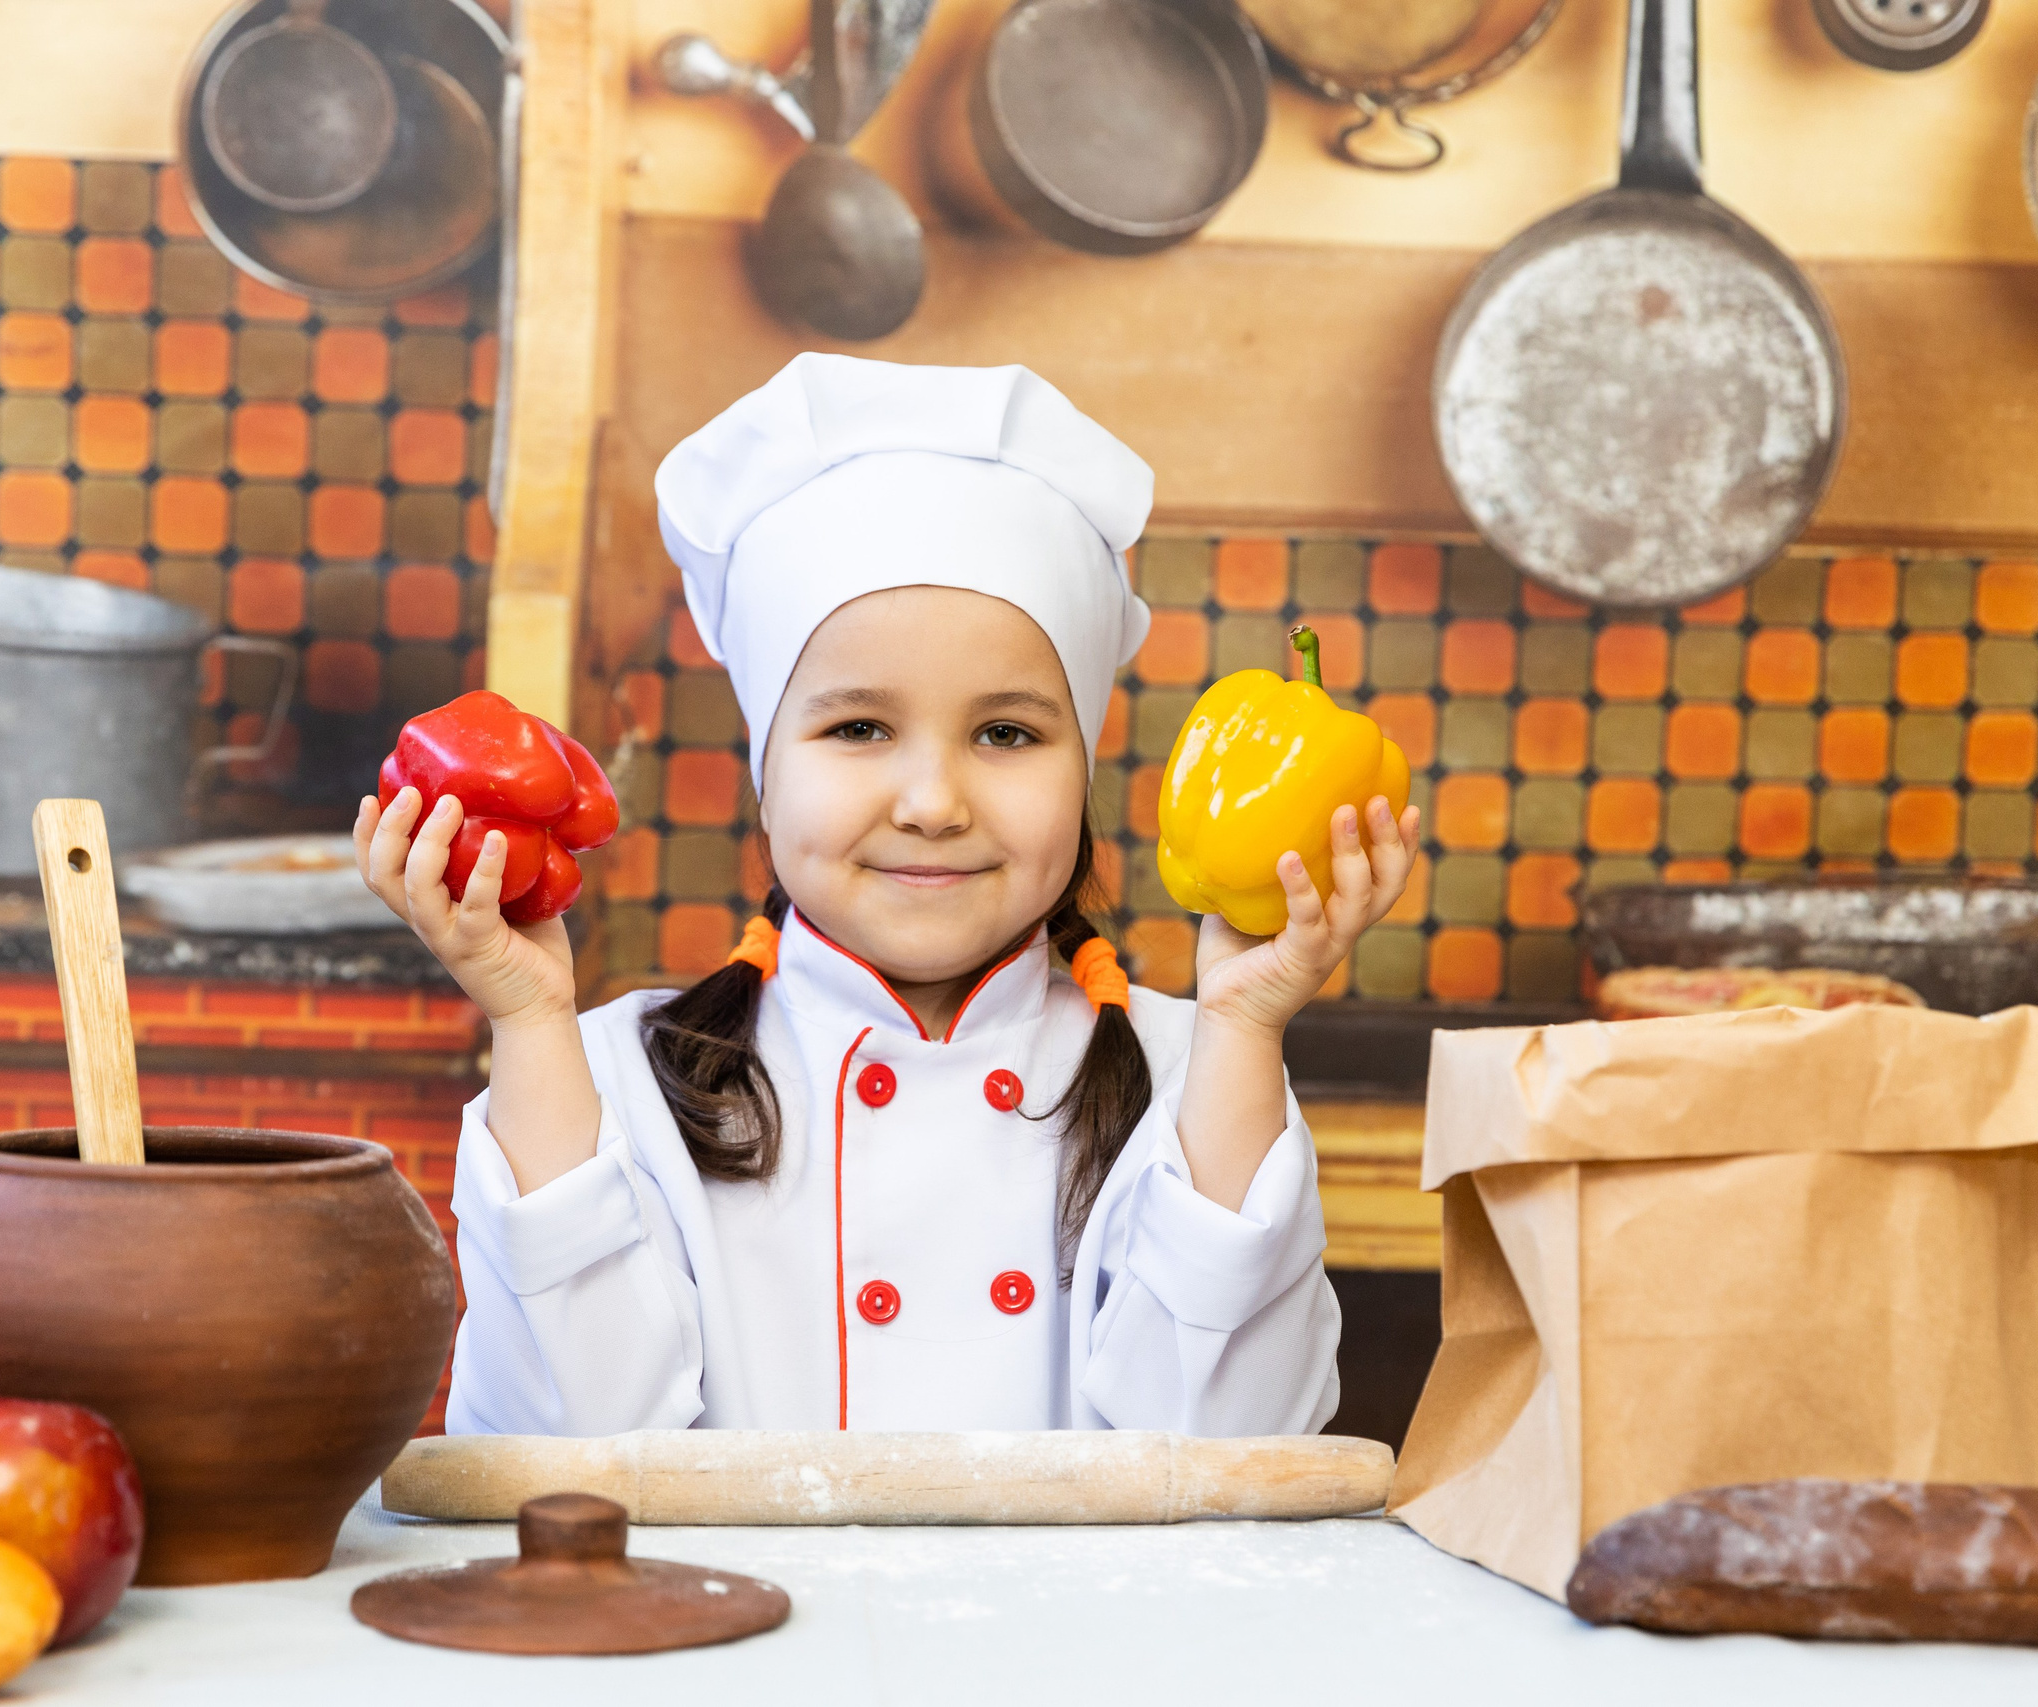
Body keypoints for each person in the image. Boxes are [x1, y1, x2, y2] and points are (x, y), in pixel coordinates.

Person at [356, 354, 1420, 1435]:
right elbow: (555, 1459)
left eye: (1005, 734)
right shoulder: (611, 1082)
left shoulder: (1196, 1075)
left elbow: (1235, 1461)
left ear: (1083, 771)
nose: (931, 801)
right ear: (765, 773)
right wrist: (530, 1023)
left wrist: (1243, 1026)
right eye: (858, 728)